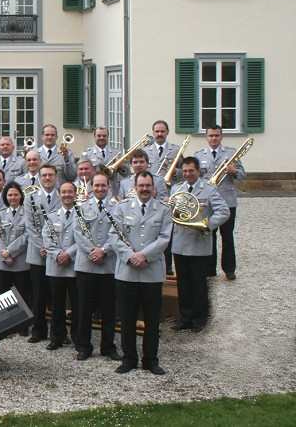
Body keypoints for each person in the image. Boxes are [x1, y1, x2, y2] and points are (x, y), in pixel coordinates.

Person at [107, 171, 171, 375]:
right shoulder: (122, 208)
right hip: (127, 272)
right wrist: (130, 256)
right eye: (141, 185)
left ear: (153, 187)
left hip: (151, 273)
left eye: (148, 186)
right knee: (127, 319)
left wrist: (143, 255)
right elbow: (114, 236)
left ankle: (150, 360)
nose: (144, 189)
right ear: (134, 187)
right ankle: (129, 359)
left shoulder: (163, 210)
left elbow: (164, 238)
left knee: (152, 321)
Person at [170, 156, 230, 332]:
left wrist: (207, 225)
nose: (188, 174)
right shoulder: (176, 188)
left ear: (198, 171)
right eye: (185, 171)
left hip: (199, 243)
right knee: (183, 283)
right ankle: (185, 317)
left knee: (199, 283)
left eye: (191, 171)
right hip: (180, 243)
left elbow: (224, 211)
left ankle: (200, 318)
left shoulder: (209, 190)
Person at [73, 173, 120, 361]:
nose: (100, 189)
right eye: (97, 185)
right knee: (84, 308)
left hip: (108, 265)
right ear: (91, 186)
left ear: (108, 186)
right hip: (86, 264)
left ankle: (108, 346)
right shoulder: (82, 207)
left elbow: (118, 231)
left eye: (103, 185)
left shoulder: (117, 208)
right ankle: (84, 346)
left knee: (109, 309)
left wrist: (104, 251)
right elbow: (78, 233)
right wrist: (93, 251)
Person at [194, 125, 245, 279]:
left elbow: (243, 175)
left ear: (221, 137)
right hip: (208, 202)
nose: (214, 138)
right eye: (211, 136)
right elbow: (195, 179)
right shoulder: (199, 155)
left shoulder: (231, 154)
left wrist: (234, 171)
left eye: (216, 135)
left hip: (227, 201)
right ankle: (210, 269)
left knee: (227, 236)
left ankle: (229, 269)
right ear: (206, 137)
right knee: (209, 235)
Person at [23, 164, 59, 343]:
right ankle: (38, 330)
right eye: (44, 175)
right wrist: (42, 246)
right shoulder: (30, 197)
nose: (47, 178)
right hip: (37, 252)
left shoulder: (64, 195)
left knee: (56, 295)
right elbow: (29, 226)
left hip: (57, 252)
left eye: (50, 175)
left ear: (56, 176)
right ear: (39, 177)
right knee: (38, 295)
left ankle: (58, 333)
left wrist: (52, 247)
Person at [42, 182, 79, 351]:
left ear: (75, 193)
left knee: (77, 305)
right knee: (57, 305)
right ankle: (57, 337)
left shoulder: (81, 215)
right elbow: (47, 238)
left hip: (74, 266)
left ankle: (78, 337)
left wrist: (68, 254)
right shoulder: (51, 216)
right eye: (63, 192)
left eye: (70, 192)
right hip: (55, 266)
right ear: (59, 194)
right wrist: (58, 254)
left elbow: (84, 239)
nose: (66, 195)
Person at [0, 182, 31, 333]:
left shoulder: (27, 214)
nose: (13, 197)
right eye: (10, 195)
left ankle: (22, 326)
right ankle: (2, 326)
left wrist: (11, 252)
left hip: (20, 261)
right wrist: (4, 252)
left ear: (21, 196)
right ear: (5, 197)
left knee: (22, 294)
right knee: (1, 294)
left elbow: (27, 235)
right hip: (2, 261)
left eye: (15, 194)